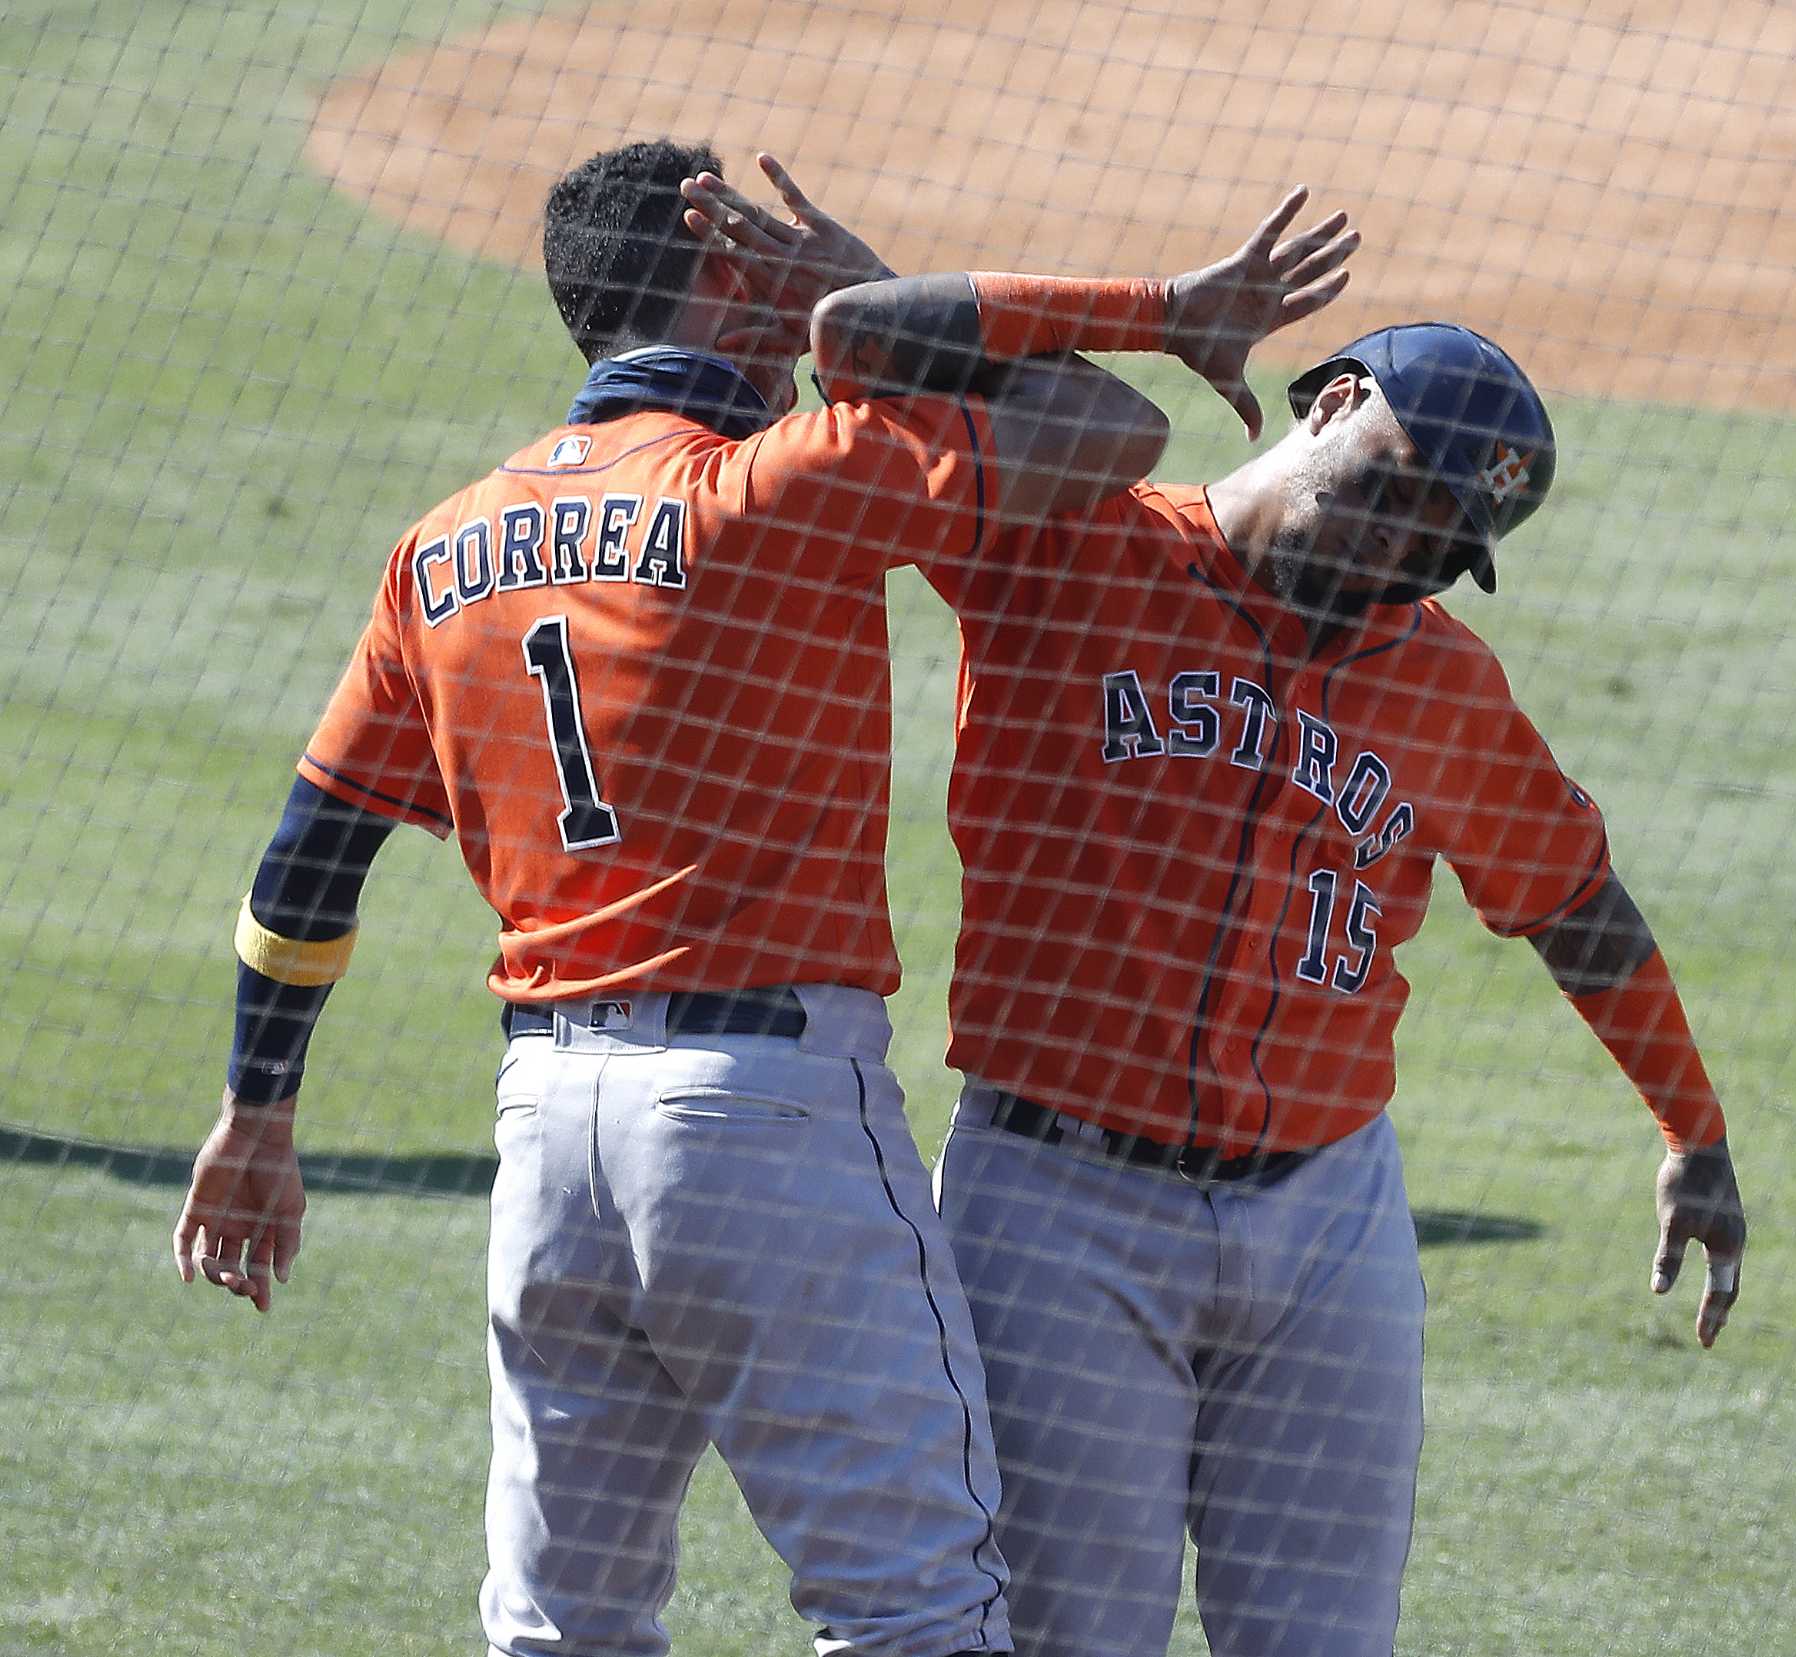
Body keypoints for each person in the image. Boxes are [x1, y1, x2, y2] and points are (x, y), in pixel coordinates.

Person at [169, 138, 1357, 1657]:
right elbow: (1105, 428)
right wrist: (865, 298)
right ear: (733, 280)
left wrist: (257, 1115)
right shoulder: (780, 482)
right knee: (918, 1609)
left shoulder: (443, 552)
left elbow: (309, 855)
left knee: (558, 1627)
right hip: (766, 1124)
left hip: (543, 1145)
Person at [748, 245, 1748, 1656]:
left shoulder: (1446, 679)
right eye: (1398, 494)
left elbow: (1577, 904)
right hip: (1058, 1208)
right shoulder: (1072, 539)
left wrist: (1692, 1128)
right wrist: (1142, 315)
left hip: (1329, 1219)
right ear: (1332, 400)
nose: (1399, 552)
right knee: (1065, 1638)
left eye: (1440, 541)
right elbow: (860, 351)